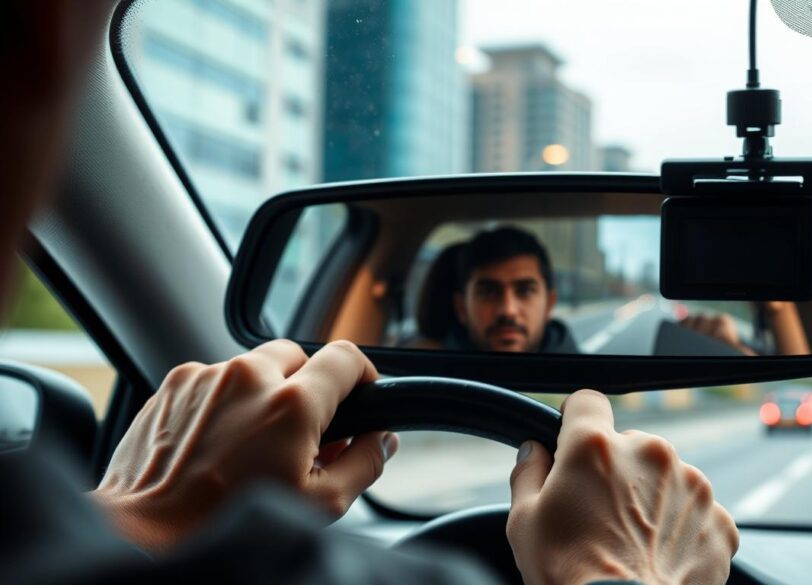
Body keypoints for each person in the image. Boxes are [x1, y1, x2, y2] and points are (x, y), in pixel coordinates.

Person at [0, 1, 739, 583]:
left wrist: (136, 519)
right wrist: (622, 574)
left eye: (526, 291)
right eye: (490, 290)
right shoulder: (409, 358)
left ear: (552, 301)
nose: (509, 309)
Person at [448, 226, 579, 353]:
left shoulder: (588, 375)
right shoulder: (432, 373)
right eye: (488, 292)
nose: (508, 310)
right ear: (462, 308)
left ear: (549, 305)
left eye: (525, 291)